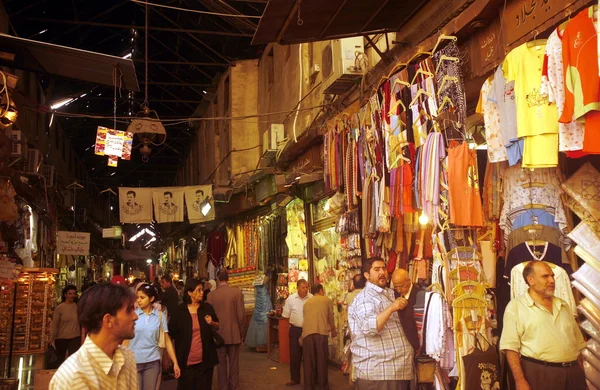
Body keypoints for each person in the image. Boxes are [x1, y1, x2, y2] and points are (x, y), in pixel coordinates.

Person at [500, 261, 587, 390]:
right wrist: (520, 380)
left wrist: (582, 377)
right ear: (531, 280)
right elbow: (510, 347)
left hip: (573, 373)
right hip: (540, 374)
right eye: (545, 276)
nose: (552, 280)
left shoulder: (563, 305)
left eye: (552, 276)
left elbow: (578, 344)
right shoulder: (516, 307)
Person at [49, 283, 138, 389]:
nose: (135, 316)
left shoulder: (127, 356)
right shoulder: (73, 377)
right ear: (108, 320)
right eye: (129, 310)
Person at [348, 257, 414, 390]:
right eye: (376, 269)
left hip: (396, 371)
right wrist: (391, 308)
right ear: (367, 275)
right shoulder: (365, 298)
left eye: (384, 268)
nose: (382, 272)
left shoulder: (388, 293)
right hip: (380, 373)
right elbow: (370, 327)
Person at [124, 284, 181, 390]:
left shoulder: (160, 316)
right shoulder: (132, 316)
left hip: (152, 362)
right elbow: (126, 340)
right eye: (137, 298)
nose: (139, 300)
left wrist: (175, 363)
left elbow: (167, 340)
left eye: (142, 297)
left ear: (151, 298)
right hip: (133, 362)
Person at [169, 279, 220, 389]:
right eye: (198, 290)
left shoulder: (207, 308)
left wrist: (212, 322)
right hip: (186, 361)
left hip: (206, 361)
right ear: (189, 293)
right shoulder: (179, 312)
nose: (202, 292)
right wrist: (173, 361)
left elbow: (218, 325)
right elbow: (169, 336)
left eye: (202, 290)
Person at [207, 270, 245, 390]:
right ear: (228, 279)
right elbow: (241, 316)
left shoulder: (211, 295)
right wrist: (242, 333)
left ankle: (223, 387)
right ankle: (234, 387)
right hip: (234, 334)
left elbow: (208, 317)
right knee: (234, 365)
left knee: (221, 365)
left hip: (218, 335)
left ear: (218, 279)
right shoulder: (237, 293)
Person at [301, 284, 336, 390]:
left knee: (308, 362)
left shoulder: (307, 303)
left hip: (307, 334)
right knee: (321, 361)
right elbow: (330, 316)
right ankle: (323, 386)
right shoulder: (327, 300)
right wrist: (333, 331)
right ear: (321, 291)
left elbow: (305, 319)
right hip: (320, 333)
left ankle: (308, 386)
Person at [282, 279, 313, 386]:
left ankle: (310, 380)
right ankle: (295, 378)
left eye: (306, 287)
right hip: (295, 330)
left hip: (308, 330)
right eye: (303, 287)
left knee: (309, 356)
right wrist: (294, 323)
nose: (305, 289)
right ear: (298, 288)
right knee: (295, 356)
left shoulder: (311, 298)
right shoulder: (291, 299)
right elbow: (286, 316)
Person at [49, 285, 81, 366]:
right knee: (61, 361)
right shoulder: (60, 308)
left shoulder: (78, 306)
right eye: (70, 293)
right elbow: (54, 324)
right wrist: (51, 339)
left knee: (74, 361)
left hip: (75, 337)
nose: (72, 295)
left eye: (74, 293)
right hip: (61, 338)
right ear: (65, 295)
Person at [391, 268, 420, 353]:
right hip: (401, 347)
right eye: (396, 287)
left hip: (417, 346)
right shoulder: (393, 295)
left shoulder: (420, 295)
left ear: (409, 281)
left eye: (401, 286)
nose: (399, 290)